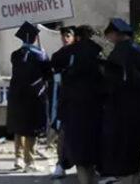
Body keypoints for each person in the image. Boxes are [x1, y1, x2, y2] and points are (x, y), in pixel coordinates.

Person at [99, 18, 140, 184]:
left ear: (116, 34)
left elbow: (114, 80)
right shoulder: (139, 50)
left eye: (110, 34)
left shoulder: (120, 53)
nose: (109, 38)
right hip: (137, 106)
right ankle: (132, 177)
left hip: (123, 106)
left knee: (124, 145)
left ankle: (128, 178)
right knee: (131, 145)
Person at [59, 25, 105, 184]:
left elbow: (54, 63)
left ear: (77, 37)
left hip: (73, 108)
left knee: (79, 151)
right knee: (92, 149)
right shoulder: (97, 51)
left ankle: (84, 180)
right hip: (94, 108)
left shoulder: (69, 52)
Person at [7, 21, 51, 173]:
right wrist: (44, 54)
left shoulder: (15, 55)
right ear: (34, 39)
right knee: (32, 129)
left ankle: (17, 158)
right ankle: (29, 161)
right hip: (34, 96)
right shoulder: (41, 56)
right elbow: (48, 75)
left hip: (17, 96)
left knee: (19, 127)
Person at [50, 25, 77, 179]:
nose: (66, 38)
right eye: (63, 35)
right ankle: (60, 164)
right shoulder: (58, 55)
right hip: (62, 98)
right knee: (62, 133)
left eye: (69, 35)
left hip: (79, 99)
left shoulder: (80, 53)